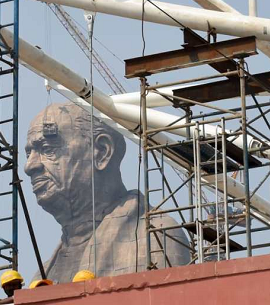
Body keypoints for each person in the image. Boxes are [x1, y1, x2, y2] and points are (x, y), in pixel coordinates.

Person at [24, 103, 190, 284]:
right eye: (28, 154)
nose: (30, 166)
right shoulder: (43, 275)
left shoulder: (155, 238)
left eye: (47, 149)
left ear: (102, 152)